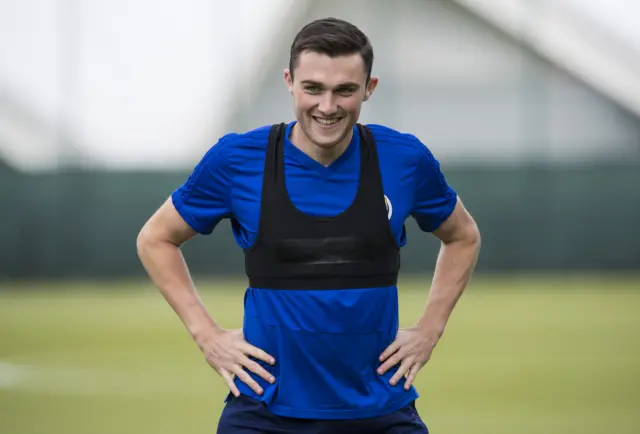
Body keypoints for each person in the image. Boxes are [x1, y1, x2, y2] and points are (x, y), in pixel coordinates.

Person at [137, 17, 481, 434]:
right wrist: (207, 336)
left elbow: (462, 235)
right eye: (313, 88)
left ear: (369, 88)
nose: (327, 106)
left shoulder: (404, 158)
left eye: (345, 90)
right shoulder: (237, 160)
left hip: (380, 411)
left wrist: (430, 329)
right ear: (290, 81)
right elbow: (156, 238)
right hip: (264, 413)